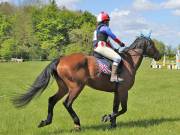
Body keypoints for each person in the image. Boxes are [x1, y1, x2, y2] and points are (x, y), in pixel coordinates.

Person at [93, 11, 125, 82]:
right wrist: (120, 43)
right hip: (102, 48)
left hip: (96, 48)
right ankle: (113, 76)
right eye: (108, 21)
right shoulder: (105, 28)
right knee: (117, 58)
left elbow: (108, 41)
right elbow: (113, 37)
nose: (108, 23)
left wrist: (114, 49)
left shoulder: (97, 30)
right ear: (105, 21)